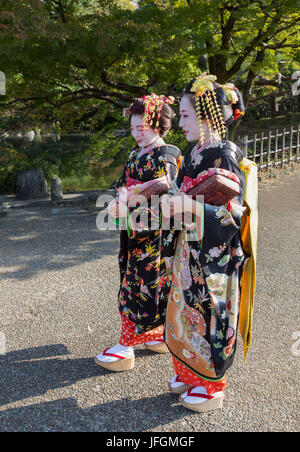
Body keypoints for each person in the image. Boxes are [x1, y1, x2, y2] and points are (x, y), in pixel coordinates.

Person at [161, 73, 257, 412]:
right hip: (190, 246)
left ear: (205, 116)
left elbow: (234, 213)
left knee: (211, 313)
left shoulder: (225, 153)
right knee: (185, 310)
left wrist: (190, 205)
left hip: (216, 253)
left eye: (185, 116)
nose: (180, 123)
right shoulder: (193, 151)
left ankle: (212, 383)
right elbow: (181, 190)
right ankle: (190, 371)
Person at [95, 93, 182, 372]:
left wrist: (131, 196)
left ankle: (126, 344)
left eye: (140, 129)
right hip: (134, 228)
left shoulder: (167, 153)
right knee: (131, 275)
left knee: (144, 282)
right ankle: (154, 334)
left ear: (159, 126)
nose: (136, 134)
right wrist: (118, 198)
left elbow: (166, 185)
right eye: (132, 128)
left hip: (154, 233)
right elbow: (123, 182)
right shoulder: (136, 153)